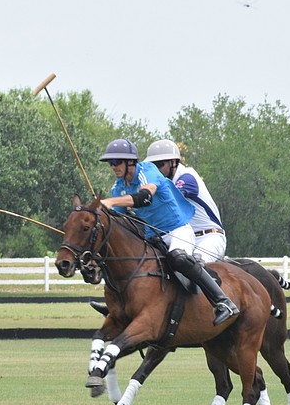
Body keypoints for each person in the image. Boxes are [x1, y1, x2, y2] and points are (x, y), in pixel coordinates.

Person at [97, 138, 239, 325]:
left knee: (183, 260)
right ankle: (122, 305)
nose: (113, 166)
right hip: (157, 235)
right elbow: (119, 220)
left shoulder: (178, 176)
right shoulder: (120, 187)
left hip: (197, 233)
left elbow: (147, 197)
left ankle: (223, 302)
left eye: (116, 162)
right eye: (110, 163)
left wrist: (112, 202)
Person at [143, 139, 226, 263]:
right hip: (183, 238)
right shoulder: (159, 182)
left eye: (159, 164)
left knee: (194, 264)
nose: (156, 170)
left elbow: (170, 199)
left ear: (173, 162)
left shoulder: (187, 177)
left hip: (209, 238)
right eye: (153, 166)